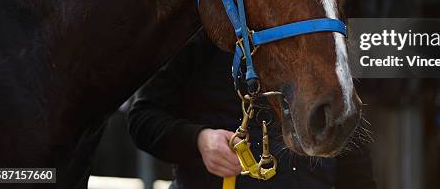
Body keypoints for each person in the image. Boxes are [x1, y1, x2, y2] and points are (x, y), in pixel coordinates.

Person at [128, 31, 376, 189]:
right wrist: (199, 140)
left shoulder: (323, 34)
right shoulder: (201, 28)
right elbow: (143, 118)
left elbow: (348, 144)